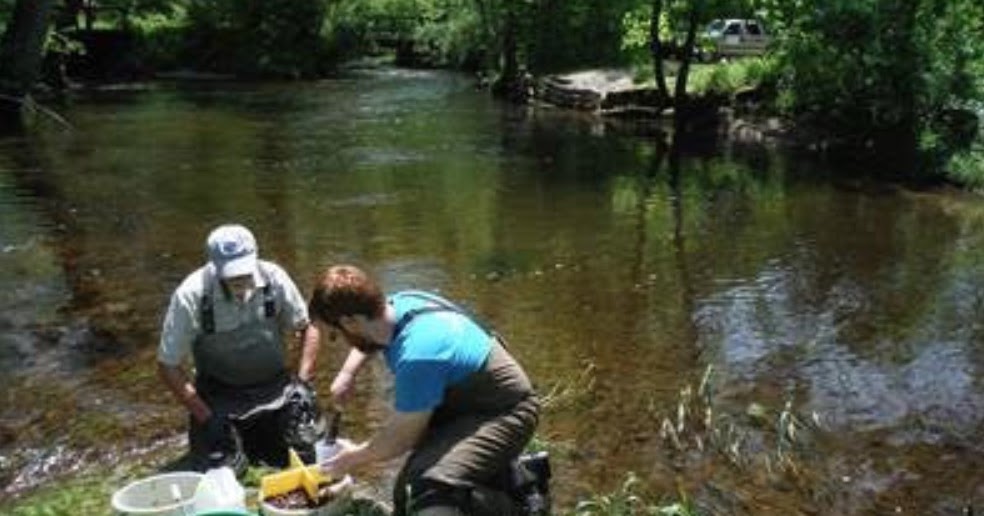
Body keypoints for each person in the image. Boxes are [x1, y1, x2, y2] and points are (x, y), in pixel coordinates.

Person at [308, 264, 541, 516]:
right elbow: (368, 339)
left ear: (350, 322)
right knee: (404, 495)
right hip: (470, 400)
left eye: (335, 335)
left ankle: (518, 506)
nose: (340, 341)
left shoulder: (418, 356)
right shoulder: (398, 305)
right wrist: (347, 374)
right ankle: (503, 480)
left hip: (506, 411)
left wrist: (352, 458)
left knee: (426, 492)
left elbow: (401, 439)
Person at [156, 224, 322, 473]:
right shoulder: (190, 295)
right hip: (220, 398)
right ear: (213, 265)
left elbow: (309, 328)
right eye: (231, 274)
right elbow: (168, 365)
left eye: (244, 272)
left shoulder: (274, 278)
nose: (239, 279)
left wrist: (302, 382)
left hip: (276, 389)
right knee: (225, 470)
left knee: (304, 452)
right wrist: (205, 416)